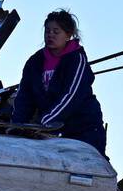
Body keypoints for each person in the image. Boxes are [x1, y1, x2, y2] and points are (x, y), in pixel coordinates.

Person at [11, 9, 107, 154]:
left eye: (56, 32)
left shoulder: (76, 59)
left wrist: (43, 123)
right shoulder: (35, 62)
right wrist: (17, 126)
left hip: (83, 128)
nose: (50, 35)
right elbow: (25, 97)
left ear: (68, 35)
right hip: (51, 129)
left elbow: (71, 97)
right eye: (47, 31)